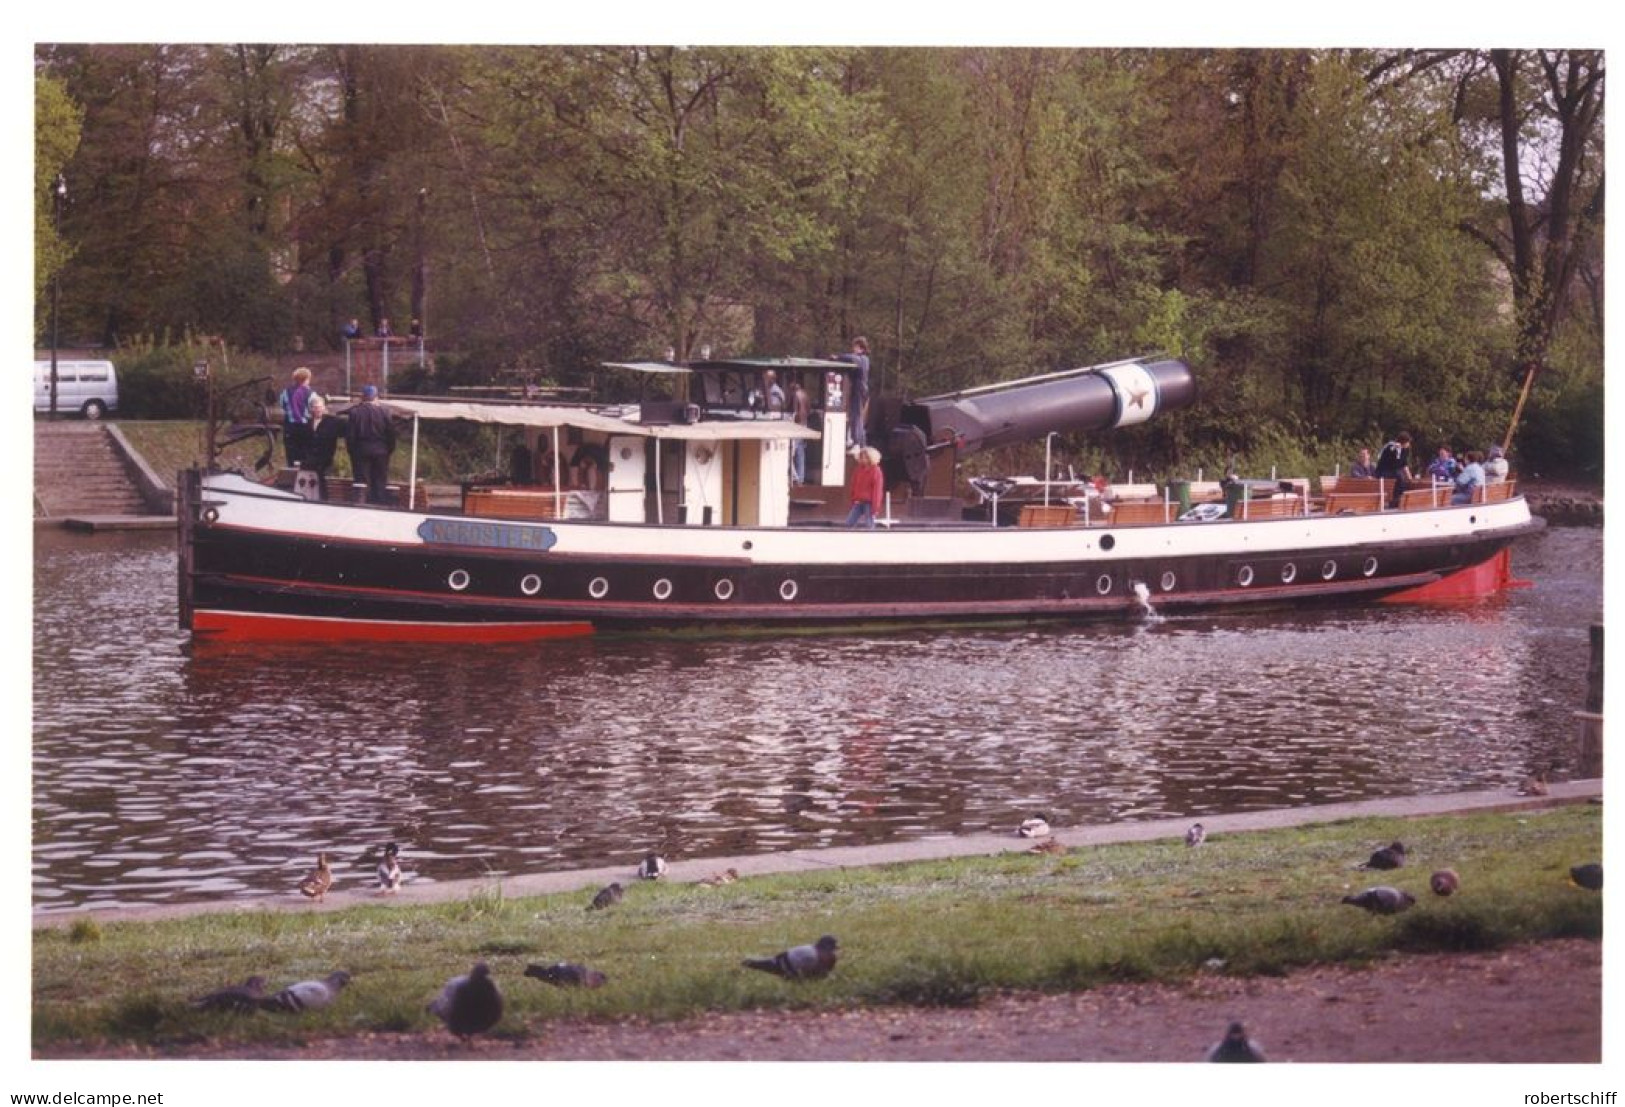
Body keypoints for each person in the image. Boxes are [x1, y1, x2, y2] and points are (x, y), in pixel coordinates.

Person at [345, 384, 397, 504]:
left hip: (360, 450)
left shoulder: (355, 412)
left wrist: (352, 450)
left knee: (361, 481)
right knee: (379, 480)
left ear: (362, 397)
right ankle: (379, 504)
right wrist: (389, 449)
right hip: (381, 451)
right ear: (376, 397)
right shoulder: (385, 412)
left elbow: (351, 435)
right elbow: (391, 433)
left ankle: (361, 504)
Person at [834, 336, 871, 448]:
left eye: (855, 347)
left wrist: (837, 357)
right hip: (859, 389)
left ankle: (857, 442)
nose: (853, 349)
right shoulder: (862, 359)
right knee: (855, 415)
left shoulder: (863, 359)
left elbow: (851, 358)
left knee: (856, 415)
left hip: (859, 389)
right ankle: (856, 440)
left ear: (861, 348)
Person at [306, 394, 344, 499]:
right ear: (310, 409)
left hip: (325, 458)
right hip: (310, 459)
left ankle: (324, 500)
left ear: (324, 408)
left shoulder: (333, 422)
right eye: (315, 407)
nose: (317, 410)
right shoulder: (307, 423)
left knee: (323, 483)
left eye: (319, 407)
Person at [278, 367, 316, 468]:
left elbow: (282, 404)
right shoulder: (311, 393)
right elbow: (314, 408)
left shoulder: (286, 392)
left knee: (291, 453)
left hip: (290, 426)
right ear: (306, 379)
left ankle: (291, 471)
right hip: (305, 426)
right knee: (305, 453)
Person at [844, 446, 885, 529]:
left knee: (869, 524)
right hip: (858, 501)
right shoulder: (858, 470)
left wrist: (875, 506)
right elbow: (854, 485)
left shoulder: (876, 471)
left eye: (866, 457)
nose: (863, 459)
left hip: (869, 502)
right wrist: (853, 498)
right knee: (849, 522)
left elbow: (877, 490)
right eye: (862, 457)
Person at [1374, 431, 1414, 508]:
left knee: (1402, 479)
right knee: (1399, 477)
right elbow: (1391, 459)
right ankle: (1395, 501)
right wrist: (1396, 449)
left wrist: (1409, 477)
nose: (1409, 444)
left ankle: (1400, 500)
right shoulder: (1391, 446)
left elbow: (1404, 464)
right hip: (1384, 471)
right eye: (1407, 442)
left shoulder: (1405, 450)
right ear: (1403, 442)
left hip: (1394, 471)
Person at [790, 379, 810, 485]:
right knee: (800, 452)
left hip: (796, 425)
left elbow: (794, 411)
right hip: (804, 424)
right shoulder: (805, 395)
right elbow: (808, 409)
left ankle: (795, 477)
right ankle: (801, 477)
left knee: (790, 453)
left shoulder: (795, 395)